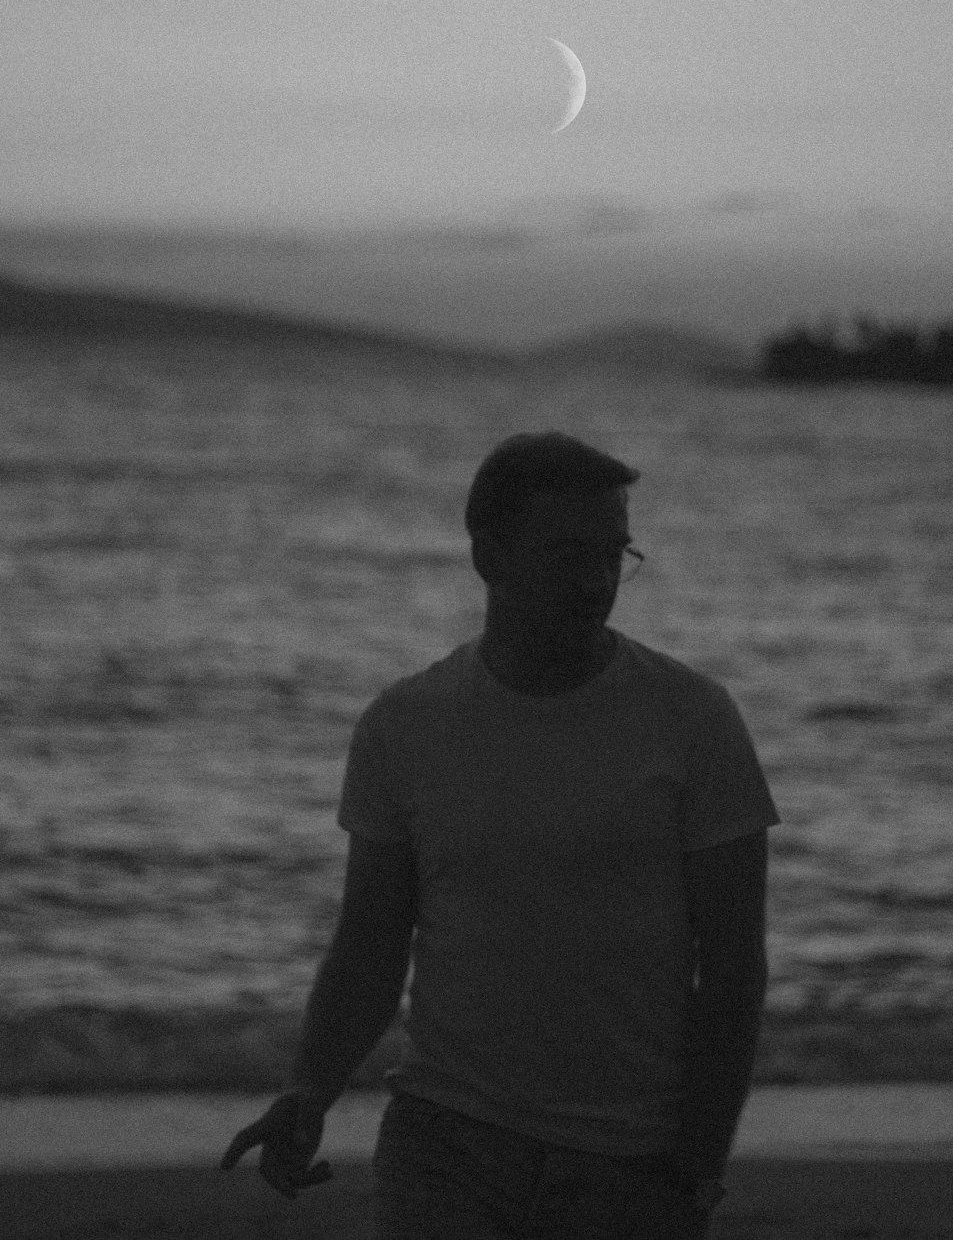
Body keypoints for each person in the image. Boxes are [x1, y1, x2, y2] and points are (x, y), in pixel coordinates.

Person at [221, 430, 781, 1238]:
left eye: (614, 555)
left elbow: (732, 968)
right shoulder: (404, 725)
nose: (596, 583)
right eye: (566, 554)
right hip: (444, 1139)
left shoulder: (693, 720)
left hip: (626, 1156)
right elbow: (373, 940)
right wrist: (311, 1090)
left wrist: (697, 1168)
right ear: (489, 556)